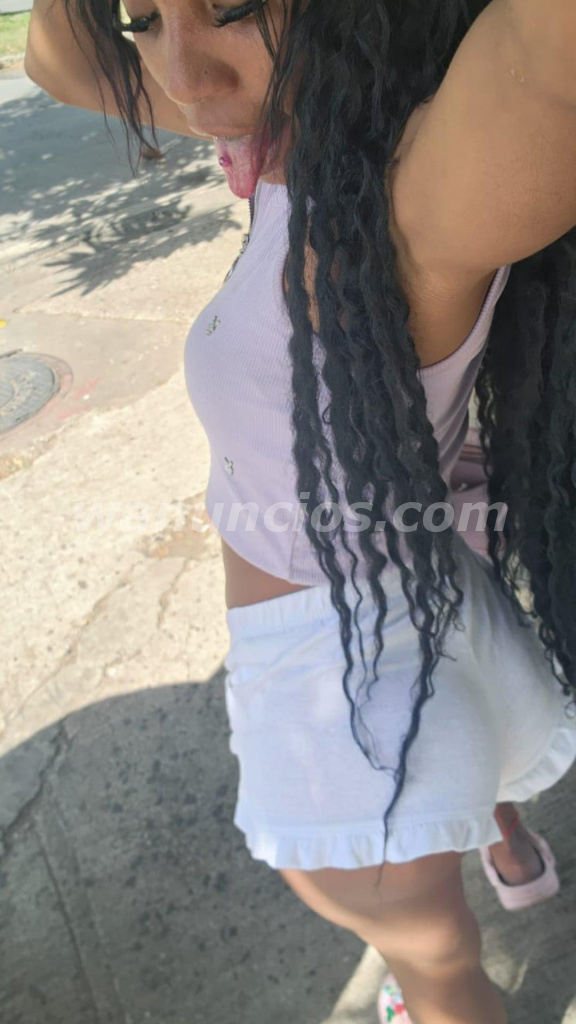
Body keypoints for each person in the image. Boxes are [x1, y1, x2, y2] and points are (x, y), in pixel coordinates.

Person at [24, 1, 576, 1021]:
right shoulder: (308, 133)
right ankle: (510, 849)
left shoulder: (411, 208)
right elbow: (59, 60)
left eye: (231, 6)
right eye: (146, 17)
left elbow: (550, 56)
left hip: (341, 686)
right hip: (422, 603)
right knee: (448, 845)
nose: (185, 78)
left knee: (437, 966)